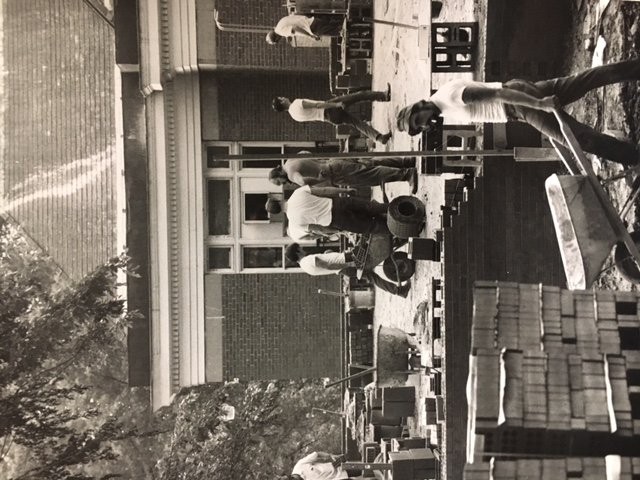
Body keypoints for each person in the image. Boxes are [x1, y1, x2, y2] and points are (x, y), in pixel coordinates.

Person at [396, 58, 640, 167]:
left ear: (420, 106)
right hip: (519, 95)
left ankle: (633, 158)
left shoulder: (450, 97)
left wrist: (540, 105)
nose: (426, 126)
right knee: (584, 80)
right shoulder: (442, 103)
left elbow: (499, 95)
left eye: (420, 121)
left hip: (518, 103)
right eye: (421, 128)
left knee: (577, 139)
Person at [272, 86, 393, 145]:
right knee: (359, 95)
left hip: (329, 119)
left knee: (357, 124)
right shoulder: (296, 103)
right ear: (282, 102)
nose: (283, 97)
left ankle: (379, 138)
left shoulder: (294, 116)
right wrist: (337, 105)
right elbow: (318, 105)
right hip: (330, 108)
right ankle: (383, 96)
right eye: (281, 98)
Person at [285, 243, 411, 298]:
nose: (302, 248)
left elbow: (325, 264)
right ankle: (399, 290)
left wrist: (328, 254)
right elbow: (327, 266)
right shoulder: (307, 260)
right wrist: (349, 264)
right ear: (297, 252)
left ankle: (398, 288)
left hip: (343, 265)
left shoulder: (304, 266)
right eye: (300, 248)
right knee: (372, 271)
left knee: (372, 274)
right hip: (345, 263)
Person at [265, 185, 390, 237]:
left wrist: (337, 232)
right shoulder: (297, 193)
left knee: (371, 227)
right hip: (338, 203)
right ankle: (401, 210)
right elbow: (324, 191)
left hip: (337, 220)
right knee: (373, 207)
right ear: (278, 200)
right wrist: (344, 191)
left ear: (278, 213)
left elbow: (319, 229)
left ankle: (399, 230)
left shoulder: (295, 223)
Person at [269, 156, 417, 192]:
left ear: (278, 175)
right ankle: (405, 161)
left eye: (279, 182)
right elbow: (306, 154)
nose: (283, 184)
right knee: (370, 164)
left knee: (372, 175)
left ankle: (406, 174)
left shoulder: (290, 173)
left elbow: (302, 182)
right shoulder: (290, 161)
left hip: (335, 173)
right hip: (333, 162)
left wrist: (317, 180)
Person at [266, 14, 344, 45]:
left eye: (277, 41)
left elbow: (295, 29)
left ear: (276, 38)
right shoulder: (280, 23)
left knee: (339, 32)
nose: (279, 40)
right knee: (338, 26)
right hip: (312, 21)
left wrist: (309, 36)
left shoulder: (281, 31)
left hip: (312, 27)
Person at [280, 451, 355, 480]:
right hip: (339, 479)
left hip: (340, 468)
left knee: (364, 469)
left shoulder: (300, 465)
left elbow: (317, 454)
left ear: (291, 476)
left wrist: (331, 455)